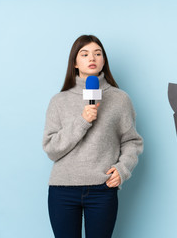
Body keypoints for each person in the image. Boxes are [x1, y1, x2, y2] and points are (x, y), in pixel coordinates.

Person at [42, 35, 143, 238]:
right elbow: (51, 149)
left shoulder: (120, 98)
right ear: (75, 63)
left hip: (102, 190)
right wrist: (83, 120)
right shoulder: (59, 101)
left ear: (104, 61)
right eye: (85, 53)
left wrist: (122, 169)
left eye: (98, 53)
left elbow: (132, 141)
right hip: (63, 191)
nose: (92, 58)